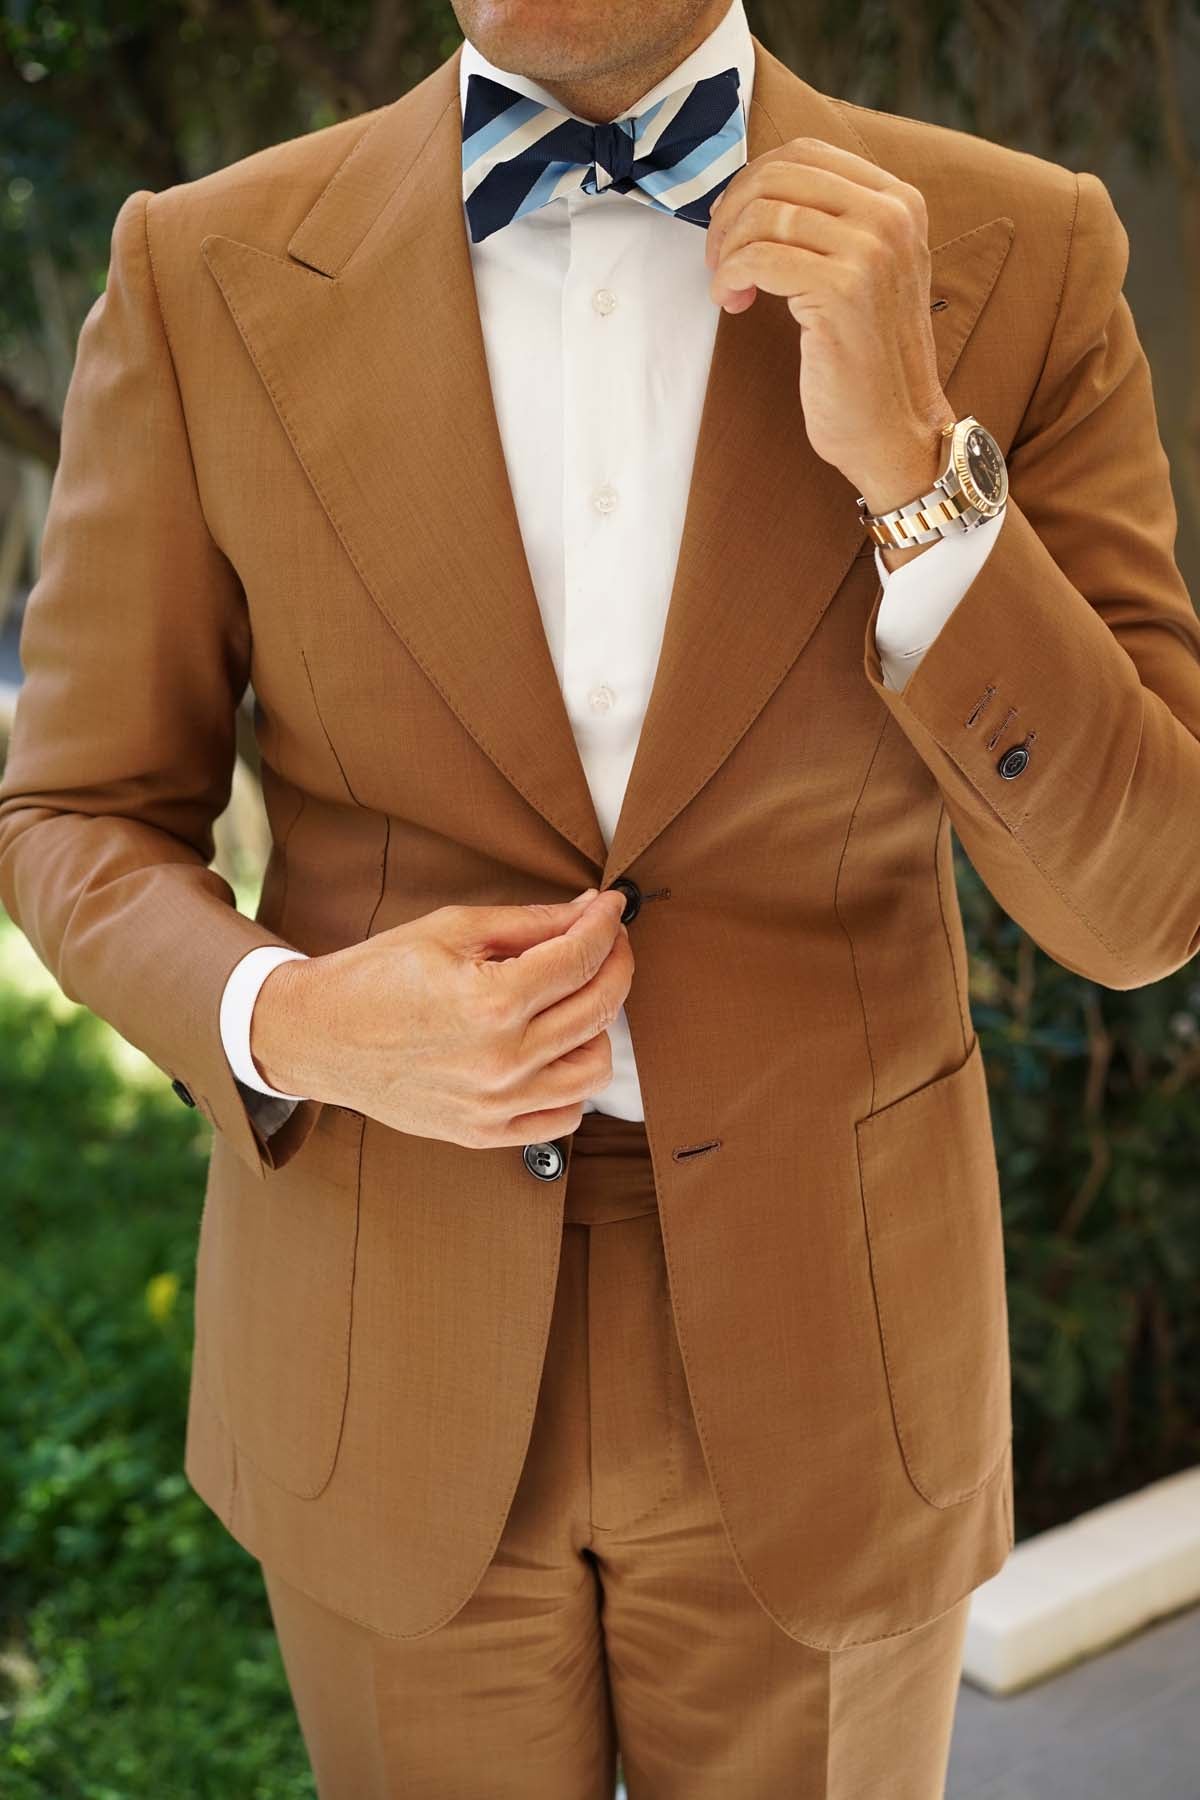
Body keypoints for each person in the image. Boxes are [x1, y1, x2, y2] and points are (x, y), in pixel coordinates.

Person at [2, 0, 1199, 1791]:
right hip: (377, 1339)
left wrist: (919, 478)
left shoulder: (1021, 246)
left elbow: (1144, 902)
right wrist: (297, 1022)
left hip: (833, 1364)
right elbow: (78, 811)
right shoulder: (202, 269)